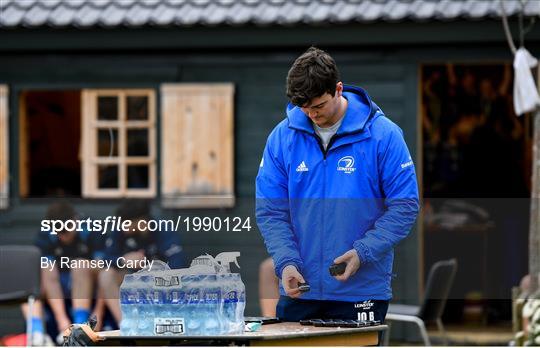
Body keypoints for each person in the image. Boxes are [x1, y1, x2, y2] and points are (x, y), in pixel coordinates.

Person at [255, 47, 419, 323]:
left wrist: (363, 252)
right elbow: (271, 211)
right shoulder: (281, 138)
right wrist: (286, 262)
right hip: (300, 291)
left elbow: (405, 206)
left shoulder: (384, 135)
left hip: (361, 291)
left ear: (338, 89)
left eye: (318, 106)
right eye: (304, 109)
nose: (312, 115)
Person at [98, 200, 183, 325]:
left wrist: (150, 267)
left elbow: (178, 263)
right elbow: (106, 258)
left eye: (127, 223)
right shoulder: (120, 231)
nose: (123, 227)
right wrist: (124, 260)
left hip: (157, 280)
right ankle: (125, 325)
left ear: (141, 221)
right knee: (106, 275)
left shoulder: (162, 229)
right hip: (129, 277)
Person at [31, 201, 105, 343]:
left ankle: (79, 327)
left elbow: (104, 273)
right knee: (41, 269)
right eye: (59, 232)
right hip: (57, 286)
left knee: (80, 265)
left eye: (66, 230)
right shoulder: (45, 234)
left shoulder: (93, 229)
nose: (63, 237)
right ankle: (40, 333)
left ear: (75, 219)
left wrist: (98, 312)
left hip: (86, 283)